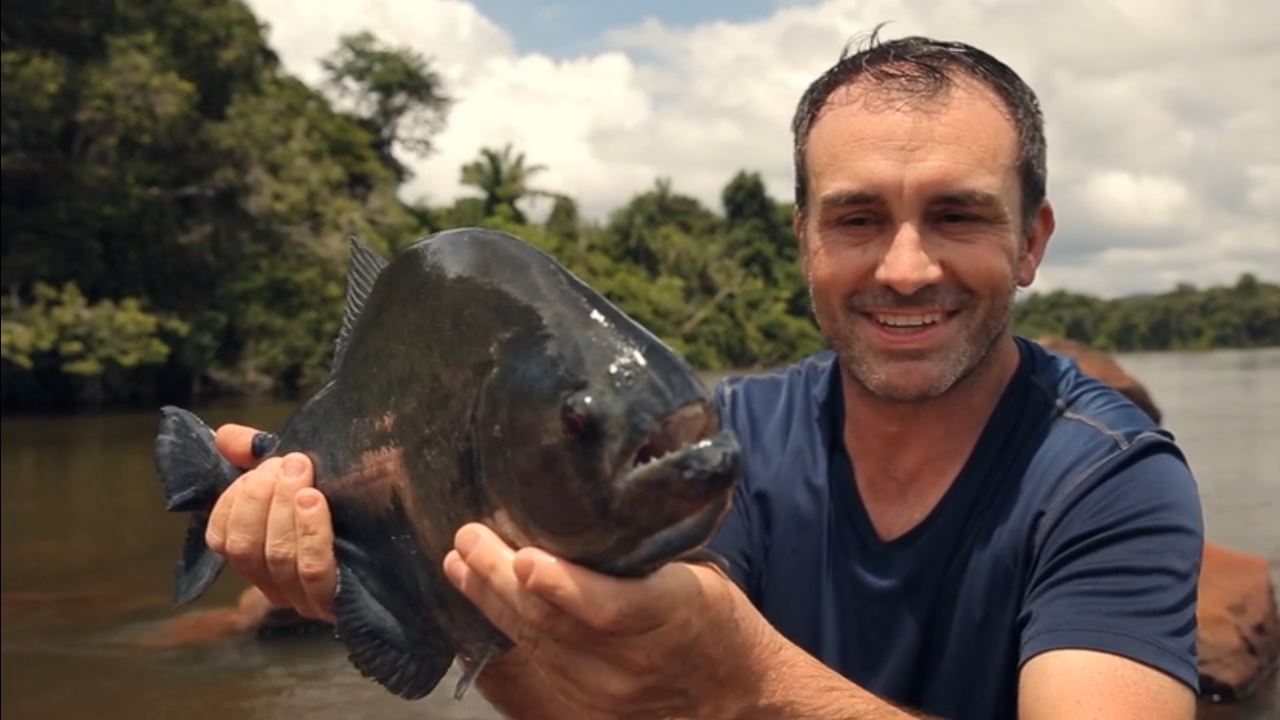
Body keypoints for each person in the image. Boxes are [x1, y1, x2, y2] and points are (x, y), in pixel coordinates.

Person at [204, 32, 1203, 719]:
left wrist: (749, 679)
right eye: (857, 218)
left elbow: (725, 686)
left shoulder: (1109, 480)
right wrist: (437, 592)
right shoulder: (726, 439)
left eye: (957, 215)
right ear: (804, 240)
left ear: (1030, 242)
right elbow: (618, 707)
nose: (905, 268)